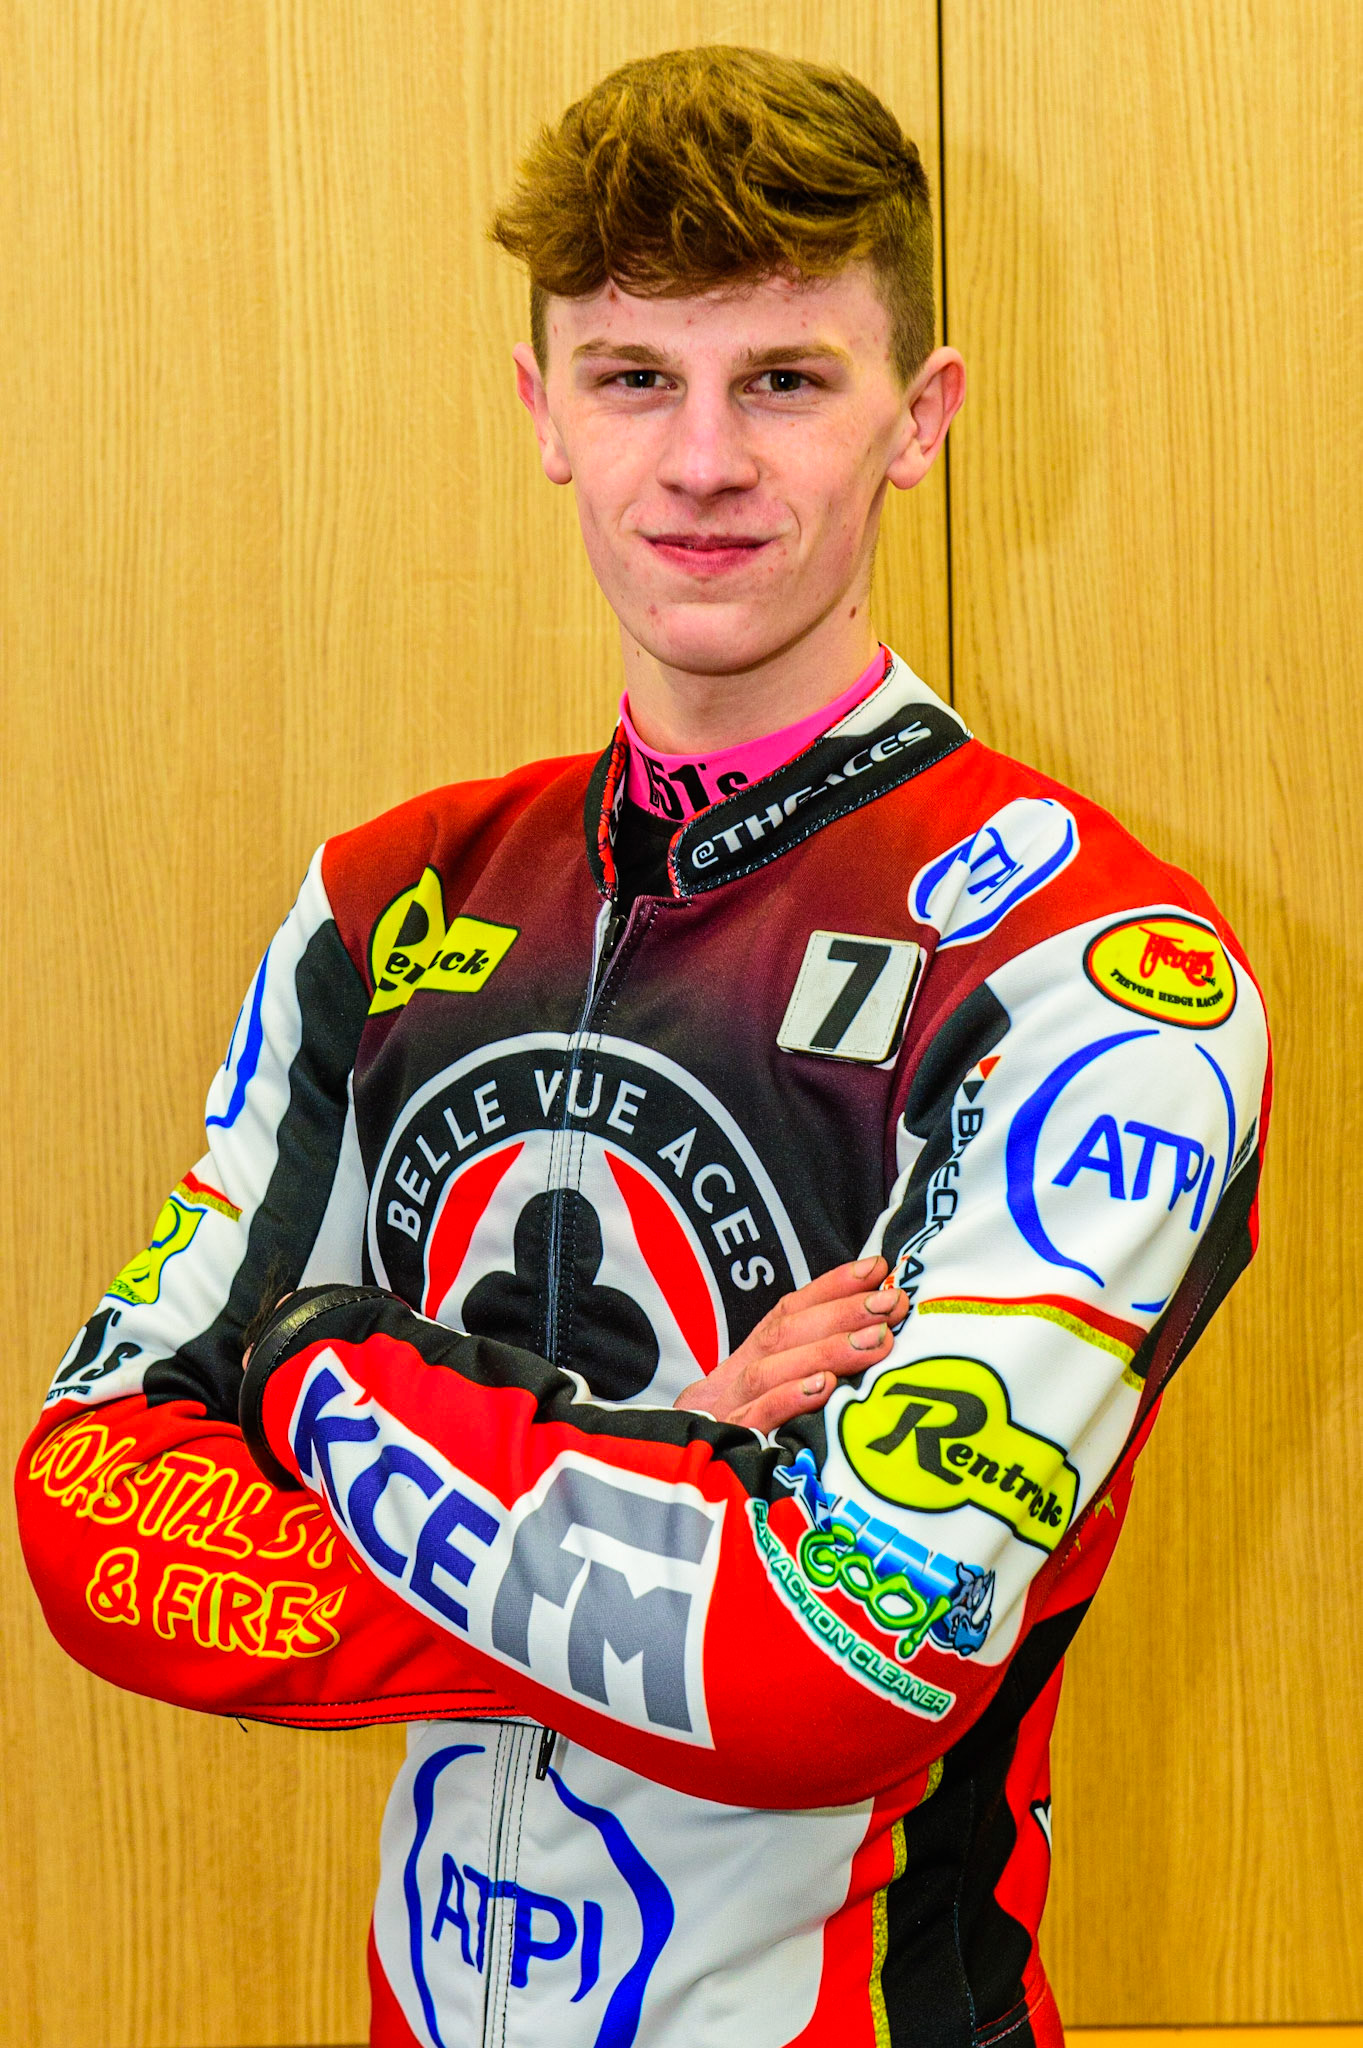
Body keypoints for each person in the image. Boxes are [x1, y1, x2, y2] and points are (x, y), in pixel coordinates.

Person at [16, 45, 1270, 2048]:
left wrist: (312, 1358)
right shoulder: (378, 899)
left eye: (782, 379)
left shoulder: (1087, 973)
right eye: (631, 377)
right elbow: (95, 1505)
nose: (700, 460)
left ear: (919, 419)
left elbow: (812, 1677)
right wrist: (685, 1450)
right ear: (542, 416)